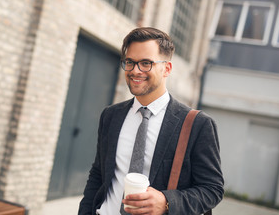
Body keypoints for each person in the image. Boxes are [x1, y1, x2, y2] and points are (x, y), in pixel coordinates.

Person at [78, 27, 224, 215]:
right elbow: (99, 174)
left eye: (146, 63)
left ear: (167, 68)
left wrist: (166, 202)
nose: (135, 70)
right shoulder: (111, 115)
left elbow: (212, 189)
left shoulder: (198, 124)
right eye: (130, 62)